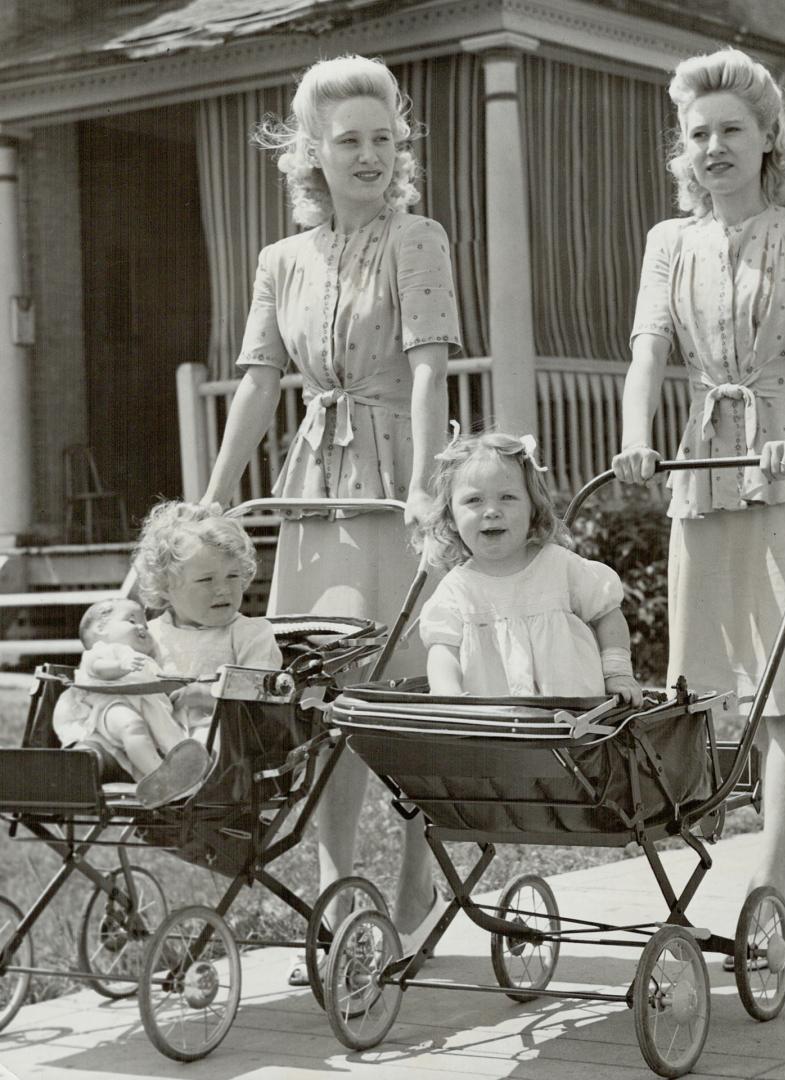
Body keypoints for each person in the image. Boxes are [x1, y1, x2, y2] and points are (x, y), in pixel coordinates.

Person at [199, 54, 462, 976]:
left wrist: (430, 488)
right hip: (319, 483)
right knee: (324, 689)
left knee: (410, 685)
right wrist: (217, 488)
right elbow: (258, 382)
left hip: (396, 477)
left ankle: (418, 883)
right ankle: (336, 881)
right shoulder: (282, 260)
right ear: (311, 152)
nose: (370, 156)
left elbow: (430, 368)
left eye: (384, 139)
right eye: (348, 140)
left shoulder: (416, 238)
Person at [612, 47, 785, 953]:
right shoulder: (666, 242)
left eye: (733, 130)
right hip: (705, 470)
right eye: (699, 134)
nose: (715, 147)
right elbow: (647, 349)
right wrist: (635, 434)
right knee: (727, 694)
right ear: (681, 150)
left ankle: (765, 881)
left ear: (769, 138)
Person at [419, 429, 643, 705]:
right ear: (451, 517)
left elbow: (606, 613)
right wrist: (447, 693)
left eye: (507, 498)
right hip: (491, 726)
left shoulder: (559, 566)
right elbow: (443, 651)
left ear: (533, 509)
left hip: (573, 719)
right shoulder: (457, 589)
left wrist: (617, 672)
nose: (491, 511)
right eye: (474, 500)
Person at [132, 501, 283, 739]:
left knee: (211, 737)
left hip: (225, 743)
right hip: (154, 737)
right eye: (206, 580)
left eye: (233, 576)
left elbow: (262, 697)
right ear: (165, 587)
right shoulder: (148, 635)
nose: (223, 589)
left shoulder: (250, 634)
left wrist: (206, 694)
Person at [53, 597, 211, 808]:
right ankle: (159, 776)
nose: (141, 627)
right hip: (110, 707)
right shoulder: (101, 650)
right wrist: (121, 665)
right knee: (131, 724)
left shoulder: (146, 660)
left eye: (145, 624)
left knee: (168, 737)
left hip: (145, 710)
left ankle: (174, 775)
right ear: (101, 627)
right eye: (131, 620)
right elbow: (99, 669)